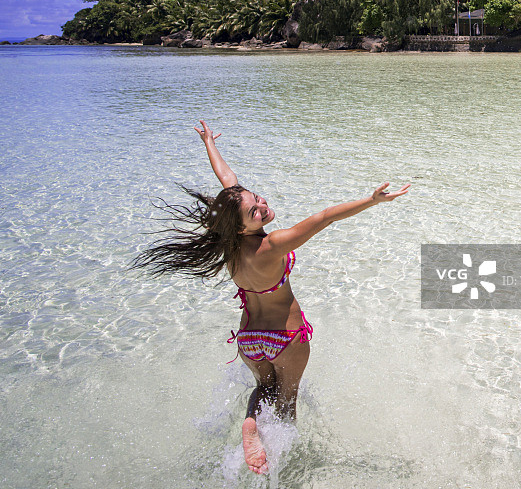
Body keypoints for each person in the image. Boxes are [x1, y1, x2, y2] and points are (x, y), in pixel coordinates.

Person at [132, 120, 410, 475]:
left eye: (257, 199)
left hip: (250, 340)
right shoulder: (271, 245)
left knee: (264, 388)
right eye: (255, 211)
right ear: (242, 224)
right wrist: (371, 201)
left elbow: (228, 180)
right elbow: (324, 218)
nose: (261, 206)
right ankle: (286, 468)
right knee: (286, 400)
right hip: (287, 337)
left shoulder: (229, 242)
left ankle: (251, 423)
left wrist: (209, 144)